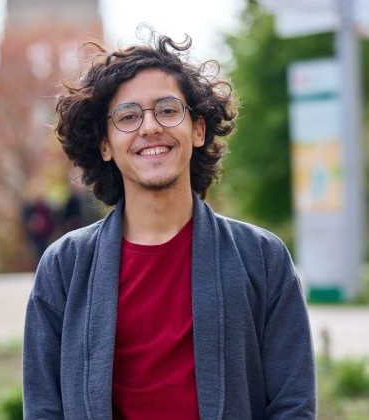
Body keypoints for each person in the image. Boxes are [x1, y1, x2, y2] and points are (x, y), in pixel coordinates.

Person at [23, 26, 316, 419]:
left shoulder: (261, 258)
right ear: (106, 145)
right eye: (127, 116)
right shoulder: (65, 267)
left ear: (197, 129)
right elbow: (43, 407)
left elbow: (292, 405)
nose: (149, 127)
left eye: (167, 109)